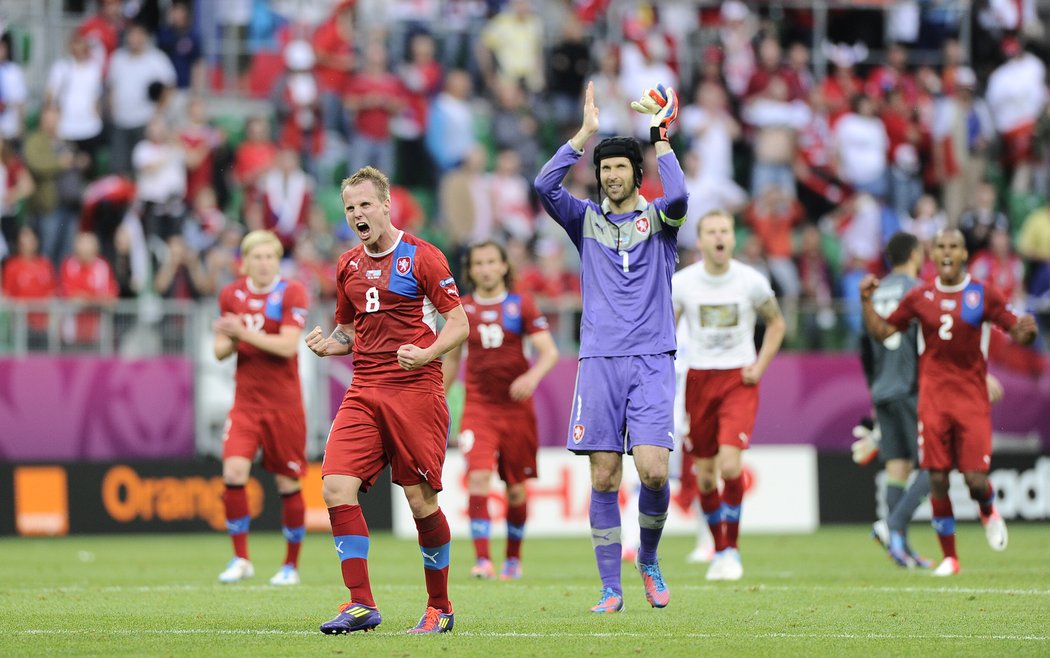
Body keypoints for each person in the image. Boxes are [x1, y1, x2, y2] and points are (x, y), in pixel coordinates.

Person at [533, 80, 686, 613]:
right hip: (598, 360)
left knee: (654, 471)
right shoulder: (584, 221)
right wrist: (584, 134)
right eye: (604, 168)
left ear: (635, 175)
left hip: (651, 357)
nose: (611, 175)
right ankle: (610, 588)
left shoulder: (661, 222)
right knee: (602, 474)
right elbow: (545, 186)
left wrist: (659, 139)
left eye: (620, 167)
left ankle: (646, 558)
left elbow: (682, 197)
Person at [304, 166, 468, 634]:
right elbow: (348, 332)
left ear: (385, 204)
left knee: (420, 502)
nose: (358, 213)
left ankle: (441, 607)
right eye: (350, 207)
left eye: (365, 205)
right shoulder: (347, 265)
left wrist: (428, 353)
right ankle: (360, 604)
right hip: (364, 391)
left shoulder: (422, 257)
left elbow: (459, 324)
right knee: (336, 485)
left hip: (415, 390)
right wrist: (325, 344)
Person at [860, 228, 1037, 576]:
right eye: (940, 246)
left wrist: (1027, 331)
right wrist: (866, 301)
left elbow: (1016, 330)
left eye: (953, 246)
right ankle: (950, 558)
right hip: (932, 400)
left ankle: (987, 509)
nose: (946, 252)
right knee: (937, 477)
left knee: (974, 480)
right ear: (931, 254)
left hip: (970, 400)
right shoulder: (919, 295)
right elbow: (883, 332)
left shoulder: (982, 294)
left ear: (963, 254)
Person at [671, 209, 786, 581]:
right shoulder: (683, 283)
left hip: (738, 379)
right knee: (705, 477)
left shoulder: (750, 281)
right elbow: (665, 330)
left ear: (732, 238)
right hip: (699, 380)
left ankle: (732, 550)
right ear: (701, 240)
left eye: (725, 231)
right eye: (711, 232)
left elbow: (777, 323)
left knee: (731, 466)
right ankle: (718, 550)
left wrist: (760, 365)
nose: (719, 237)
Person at [441, 240, 559, 581]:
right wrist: (438, 398)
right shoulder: (461, 310)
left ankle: (512, 558)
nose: (486, 269)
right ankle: (482, 560)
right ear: (471, 270)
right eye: (479, 263)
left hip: (516, 410)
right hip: (479, 407)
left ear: (504, 266)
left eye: (491, 261)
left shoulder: (520, 304)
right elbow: (451, 359)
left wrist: (531, 376)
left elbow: (548, 352)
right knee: (477, 476)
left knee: (517, 488)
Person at [212, 230, 310, 587]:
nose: (264, 263)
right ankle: (240, 558)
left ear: (277, 260)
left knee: (288, 482)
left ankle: (290, 565)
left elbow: (287, 346)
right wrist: (231, 335)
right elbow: (219, 350)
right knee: (234, 472)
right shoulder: (231, 294)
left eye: (270, 257)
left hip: (284, 406)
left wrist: (242, 333)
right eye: (257, 257)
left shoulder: (292, 291)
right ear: (245, 261)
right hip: (246, 404)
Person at [856, 231, 932, 568]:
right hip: (912, 387)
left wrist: (874, 388)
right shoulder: (918, 290)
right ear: (916, 254)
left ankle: (899, 547)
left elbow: (865, 344)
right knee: (938, 463)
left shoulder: (875, 292)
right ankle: (892, 525)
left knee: (898, 464)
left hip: (883, 388)